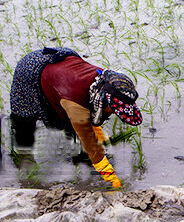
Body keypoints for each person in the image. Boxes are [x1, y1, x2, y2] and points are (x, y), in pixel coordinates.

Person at [9, 47, 143, 188]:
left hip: (63, 68)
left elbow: (93, 110)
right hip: (31, 70)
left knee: (72, 123)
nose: (116, 113)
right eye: (115, 110)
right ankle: (23, 157)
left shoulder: (106, 82)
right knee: (24, 119)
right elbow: (91, 143)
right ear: (105, 101)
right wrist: (112, 179)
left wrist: (99, 134)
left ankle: (80, 156)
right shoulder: (76, 104)